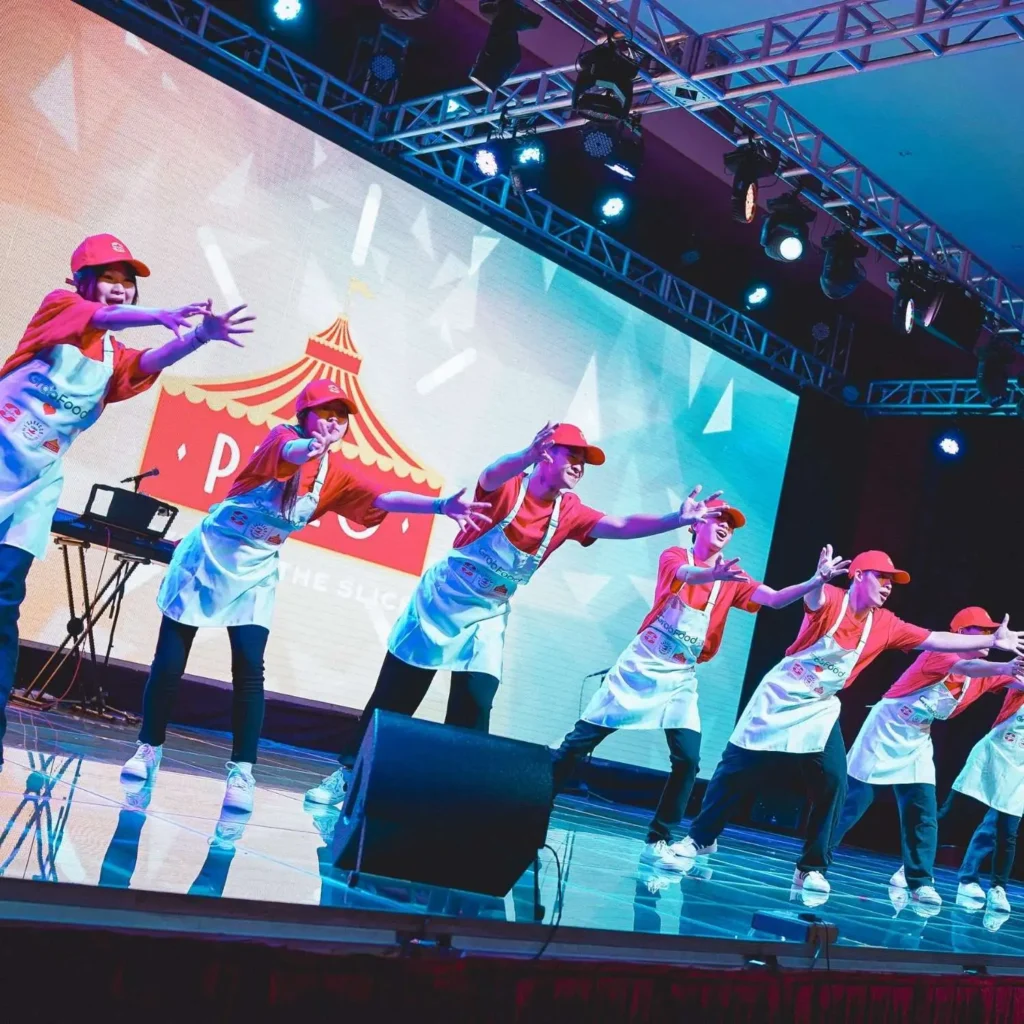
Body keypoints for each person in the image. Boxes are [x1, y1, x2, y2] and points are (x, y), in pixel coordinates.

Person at [305, 421, 723, 805]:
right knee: (396, 698)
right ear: (547, 454)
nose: (579, 466)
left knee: (475, 705)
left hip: (488, 615)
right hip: (443, 601)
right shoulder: (508, 488)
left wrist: (675, 519)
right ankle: (347, 775)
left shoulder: (569, 511)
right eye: (572, 456)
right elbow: (489, 475)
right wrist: (525, 454)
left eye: (584, 461)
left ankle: (452, 799)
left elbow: (619, 525)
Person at [120, 379, 490, 812]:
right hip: (208, 556)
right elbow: (292, 454)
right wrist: (312, 447)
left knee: (249, 667)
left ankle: (242, 771)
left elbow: (384, 497)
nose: (334, 423)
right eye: (325, 414)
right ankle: (148, 749)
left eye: (341, 417)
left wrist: (440, 506)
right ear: (304, 416)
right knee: (169, 662)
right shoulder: (282, 438)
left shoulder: (335, 474)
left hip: (256, 570)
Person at [0, 233, 252, 770]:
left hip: (34, 486)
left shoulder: (114, 358)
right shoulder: (59, 307)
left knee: (3, 602)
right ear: (82, 282)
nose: (120, 289)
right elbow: (104, 318)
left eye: (127, 282)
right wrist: (160, 314)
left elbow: (152, 358)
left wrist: (199, 336)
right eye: (109, 279)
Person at [668, 551, 1024, 902]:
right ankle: (700, 838)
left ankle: (812, 868)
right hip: (781, 694)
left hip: (821, 707)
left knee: (834, 781)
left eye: (891, 582)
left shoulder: (886, 624)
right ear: (858, 576)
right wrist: (816, 580)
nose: (888, 586)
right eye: (881, 578)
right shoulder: (832, 599)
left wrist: (993, 642)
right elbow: (814, 600)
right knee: (736, 770)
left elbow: (933, 637)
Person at [549, 500, 850, 872]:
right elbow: (687, 575)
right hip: (641, 665)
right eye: (717, 519)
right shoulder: (675, 556)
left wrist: (816, 582)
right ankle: (535, 799)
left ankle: (658, 838)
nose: (725, 526)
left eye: (730, 525)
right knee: (579, 743)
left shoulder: (731, 577)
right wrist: (713, 574)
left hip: (680, 677)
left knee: (688, 759)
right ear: (696, 526)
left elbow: (773, 600)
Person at [831, 606, 1024, 909]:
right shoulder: (941, 654)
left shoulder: (985, 674)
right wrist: (1005, 666)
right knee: (854, 802)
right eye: (984, 630)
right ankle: (814, 861)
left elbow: (1011, 679)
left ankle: (919, 881)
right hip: (886, 727)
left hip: (918, 737)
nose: (990, 636)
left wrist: (1012, 668)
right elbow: (967, 668)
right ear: (962, 633)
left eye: (992, 631)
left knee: (923, 811)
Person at [938, 680, 1024, 916]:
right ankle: (913, 867)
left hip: (1019, 769)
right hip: (992, 753)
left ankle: (997, 887)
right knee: (952, 813)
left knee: (1007, 830)